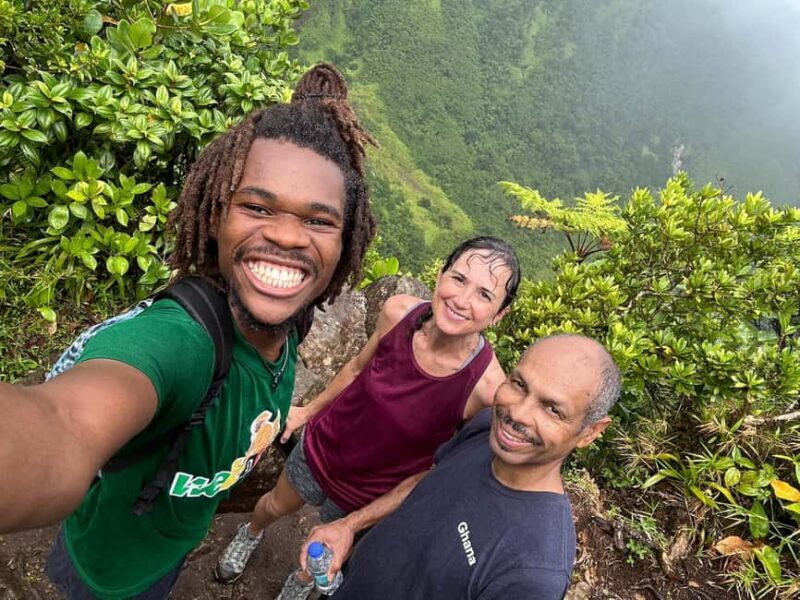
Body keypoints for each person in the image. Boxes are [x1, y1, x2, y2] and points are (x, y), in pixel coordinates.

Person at [0, 63, 378, 599]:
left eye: (318, 221)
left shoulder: (287, 320)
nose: (288, 237)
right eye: (256, 206)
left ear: (345, 245)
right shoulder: (182, 343)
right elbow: (63, 422)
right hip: (107, 572)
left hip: (171, 545)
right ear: (215, 215)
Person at [215, 236, 521, 597]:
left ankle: (303, 579)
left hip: (374, 490)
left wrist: (366, 518)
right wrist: (307, 412)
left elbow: (442, 468)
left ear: (500, 314)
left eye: (485, 295)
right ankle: (250, 532)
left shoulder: (486, 390)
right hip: (325, 446)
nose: (462, 300)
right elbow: (359, 368)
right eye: (458, 279)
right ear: (440, 276)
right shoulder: (398, 313)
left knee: (329, 552)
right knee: (273, 505)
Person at [299, 334, 621, 599]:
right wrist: (350, 525)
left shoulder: (534, 569)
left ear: (591, 431)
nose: (518, 414)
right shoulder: (487, 429)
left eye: (552, 409)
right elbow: (432, 479)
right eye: (519, 384)